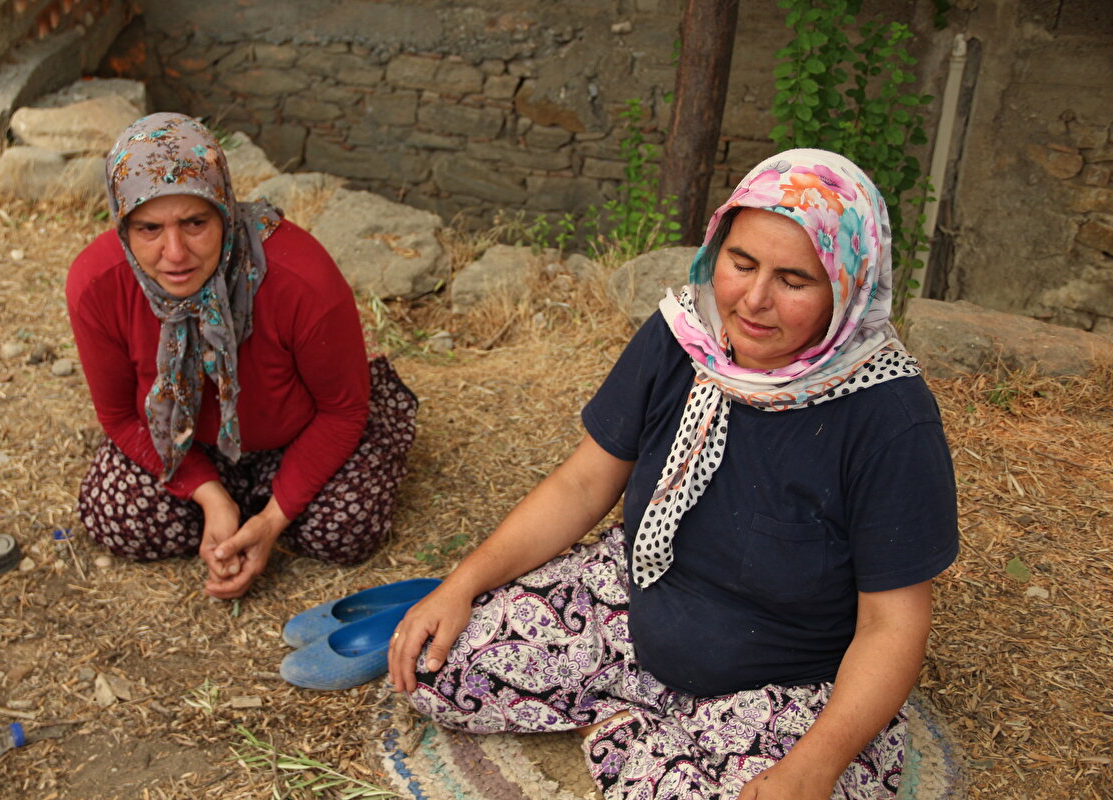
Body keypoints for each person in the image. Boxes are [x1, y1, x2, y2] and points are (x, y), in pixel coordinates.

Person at [388, 149, 958, 799]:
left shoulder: (887, 418)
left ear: (848, 288)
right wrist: (461, 584)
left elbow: (892, 624)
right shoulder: (686, 336)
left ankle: (640, 737)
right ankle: (642, 728)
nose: (754, 300)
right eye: (741, 264)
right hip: (631, 605)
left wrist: (815, 764)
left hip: (787, 686)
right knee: (436, 666)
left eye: (794, 280)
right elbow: (581, 484)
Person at [66, 113, 417, 599]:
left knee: (343, 530)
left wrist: (272, 520)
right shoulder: (97, 285)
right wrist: (210, 496)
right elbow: (121, 416)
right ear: (123, 226)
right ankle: (230, 504)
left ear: (225, 210)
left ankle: (264, 509)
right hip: (186, 441)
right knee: (117, 519)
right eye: (149, 228)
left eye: (195, 223)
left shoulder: (301, 279)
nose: (174, 252)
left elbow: (342, 409)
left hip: (300, 433)